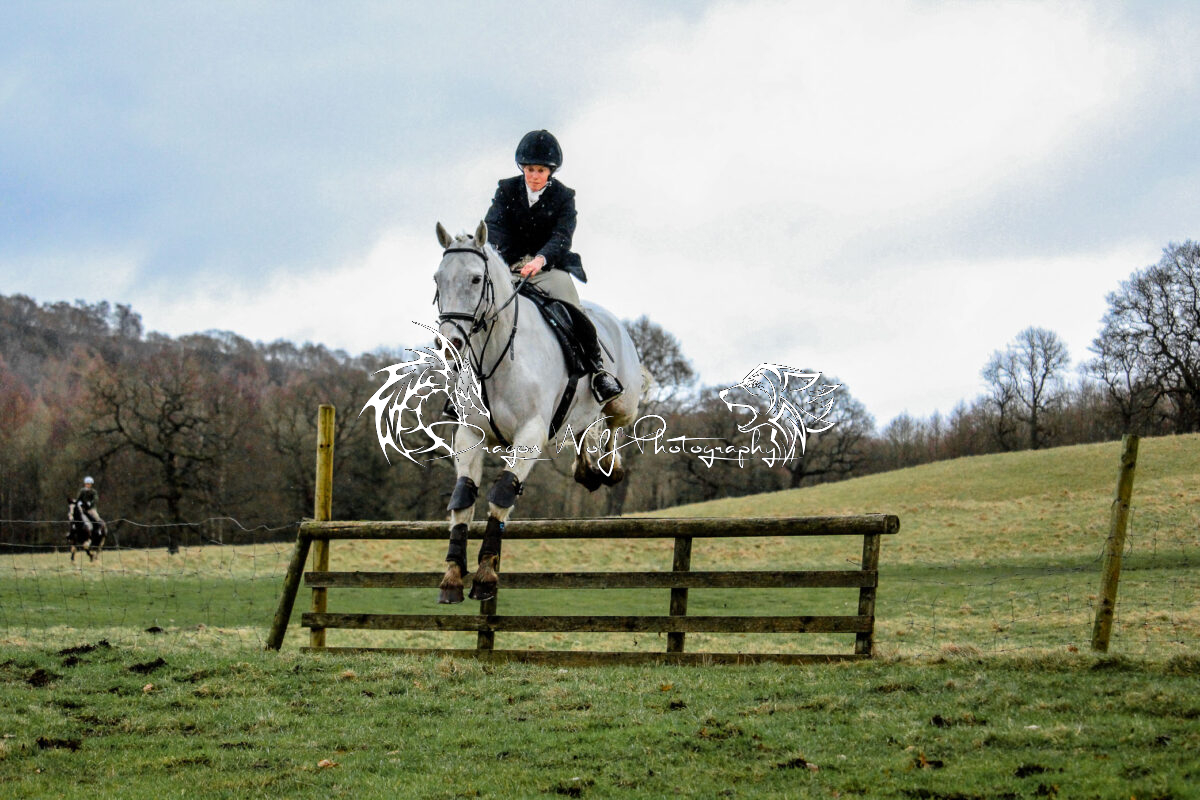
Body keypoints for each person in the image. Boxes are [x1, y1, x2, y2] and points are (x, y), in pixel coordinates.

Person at [483, 129, 623, 404]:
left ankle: (597, 370)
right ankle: (464, 380)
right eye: (530, 169)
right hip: (510, 268)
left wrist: (540, 259)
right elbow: (493, 226)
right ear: (522, 168)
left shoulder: (563, 196)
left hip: (549, 269)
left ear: (551, 171)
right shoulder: (506, 190)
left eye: (541, 170)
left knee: (573, 309)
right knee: (482, 310)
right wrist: (503, 257)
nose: (534, 176)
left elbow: (562, 236)